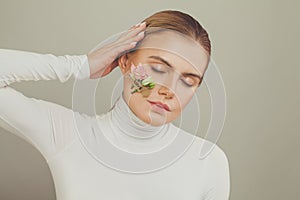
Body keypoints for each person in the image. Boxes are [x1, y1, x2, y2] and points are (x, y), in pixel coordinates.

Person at [0, 10, 230, 200]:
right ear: (125, 61)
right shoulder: (68, 134)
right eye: (158, 69)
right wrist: (80, 65)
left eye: (188, 81)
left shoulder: (208, 161)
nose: (169, 89)